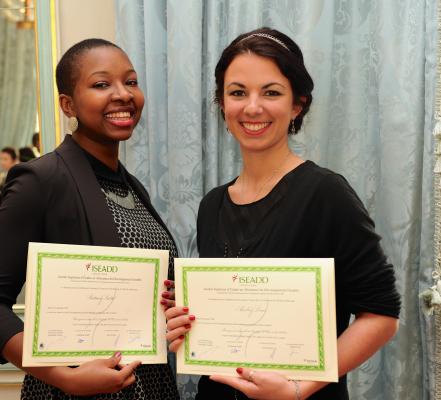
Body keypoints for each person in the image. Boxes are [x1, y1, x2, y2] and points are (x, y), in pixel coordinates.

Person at [164, 28, 401, 400]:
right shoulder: (212, 204)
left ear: (297, 105)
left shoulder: (325, 193)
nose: (252, 107)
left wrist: (298, 388)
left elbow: (382, 315)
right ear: (222, 103)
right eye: (237, 92)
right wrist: (187, 327)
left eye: (271, 92)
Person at [0, 38, 180, 399]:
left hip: (152, 386)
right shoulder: (41, 179)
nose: (123, 94)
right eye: (101, 84)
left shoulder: (132, 187)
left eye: (130, 81)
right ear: (68, 104)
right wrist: (64, 377)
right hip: (72, 391)